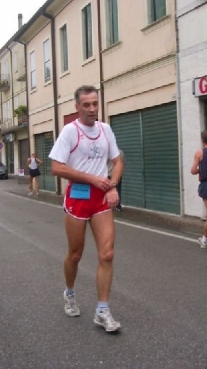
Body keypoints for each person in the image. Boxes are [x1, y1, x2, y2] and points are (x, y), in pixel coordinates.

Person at [49, 85, 124, 332]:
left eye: (95, 104)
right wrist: (92, 179)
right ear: (77, 107)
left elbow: (117, 160)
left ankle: (102, 311)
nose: (92, 109)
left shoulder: (106, 130)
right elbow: (57, 168)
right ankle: (69, 293)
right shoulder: (70, 132)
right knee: (75, 254)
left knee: (107, 254)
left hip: (101, 197)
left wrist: (112, 185)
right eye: (87, 105)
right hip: (78, 197)